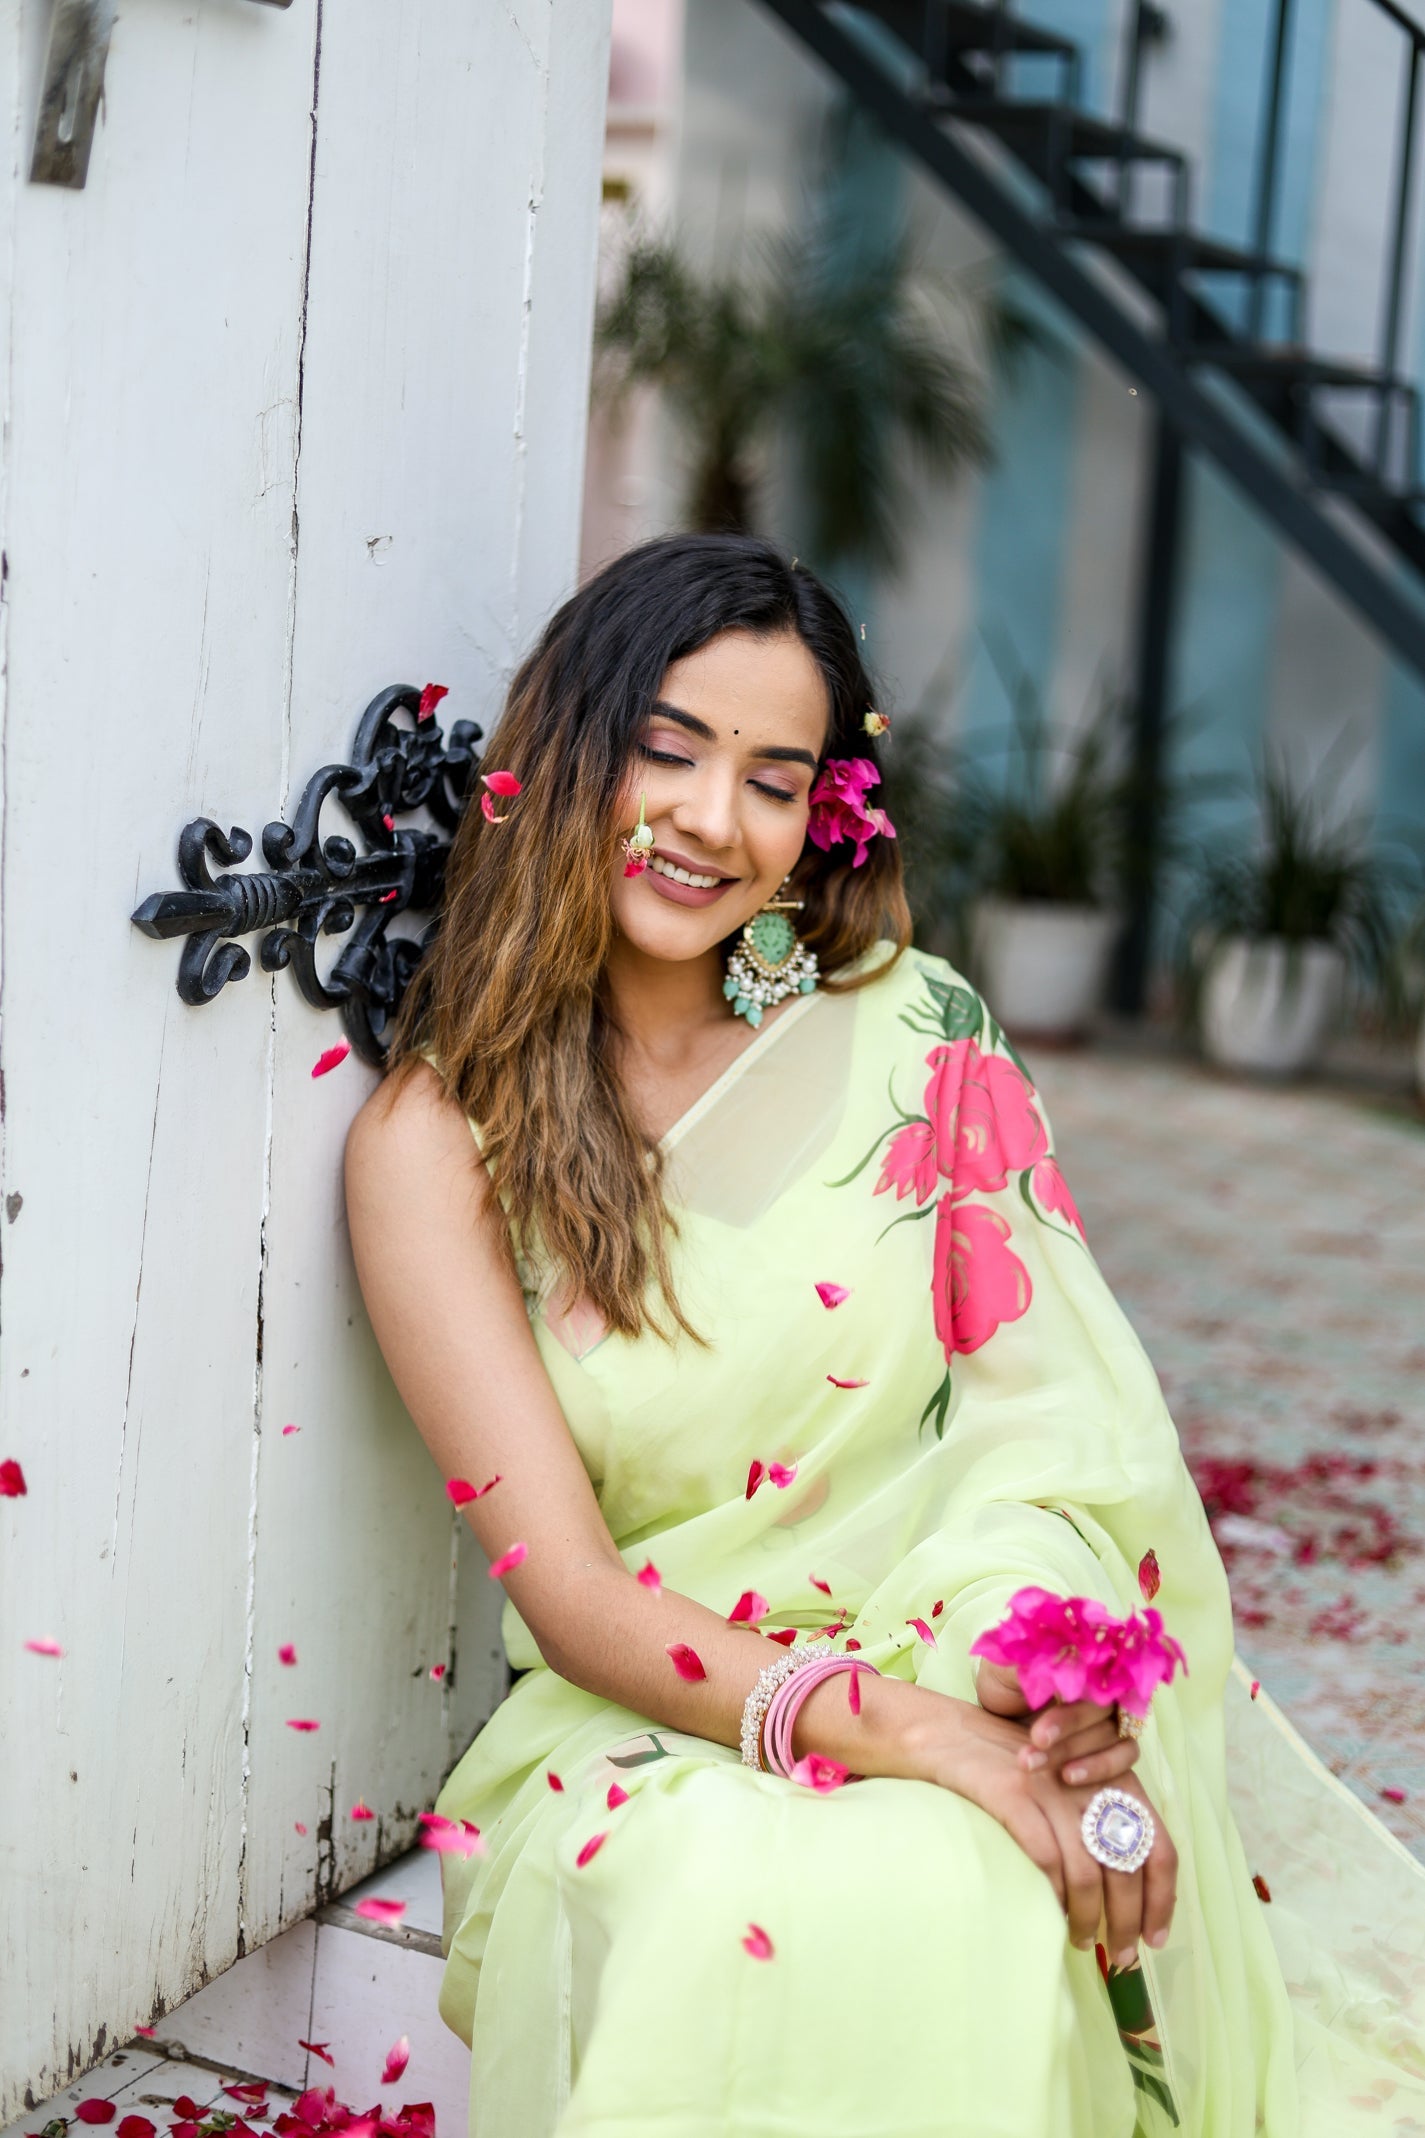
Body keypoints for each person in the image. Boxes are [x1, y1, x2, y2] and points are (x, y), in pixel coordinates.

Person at [344, 535, 1425, 2138]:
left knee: (988, 1859)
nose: (714, 819)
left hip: (958, 1648)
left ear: (819, 818)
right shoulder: (439, 1138)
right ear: (562, 751)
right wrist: (911, 1735)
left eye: (774, 779)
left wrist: (1042, 1679)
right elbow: (567, 1591)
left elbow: (1047, 1431)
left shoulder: (915, 1035)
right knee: (796, 1894)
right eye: (667, 748)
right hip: (666, 1716)